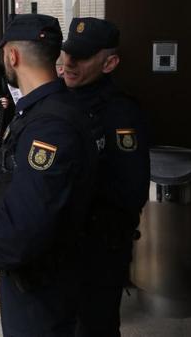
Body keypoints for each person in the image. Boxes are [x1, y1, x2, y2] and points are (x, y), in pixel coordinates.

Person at [0, 14, 98, 336]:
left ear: (12, 56)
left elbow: (21, 235)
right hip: (44, 281)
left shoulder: (49, 126)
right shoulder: (45, 112)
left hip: (41, 289)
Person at [61, 17, 150, 337]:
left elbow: (131, 189)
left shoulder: (120, 112)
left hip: (99, 248)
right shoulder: (57, 100)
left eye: (81, 56)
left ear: (110, 62)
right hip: (60, 249)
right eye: (67, 52)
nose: (69, 61)